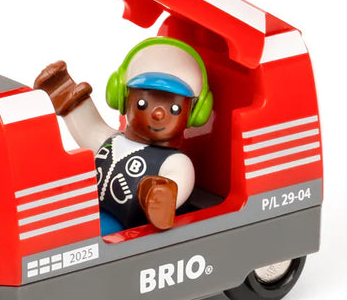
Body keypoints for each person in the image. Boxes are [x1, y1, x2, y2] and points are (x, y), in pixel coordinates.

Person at [34, 37, 214, 234]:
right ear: (122, 99)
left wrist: (160, 196)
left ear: (194, 113)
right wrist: (65, 94)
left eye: (174, 108)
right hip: (89, 211)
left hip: (127, 232)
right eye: (143, 103)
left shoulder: (176, 162)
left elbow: (179, 181)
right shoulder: (110, 140)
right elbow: (89, 128)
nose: (158, 114)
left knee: (83, 234)